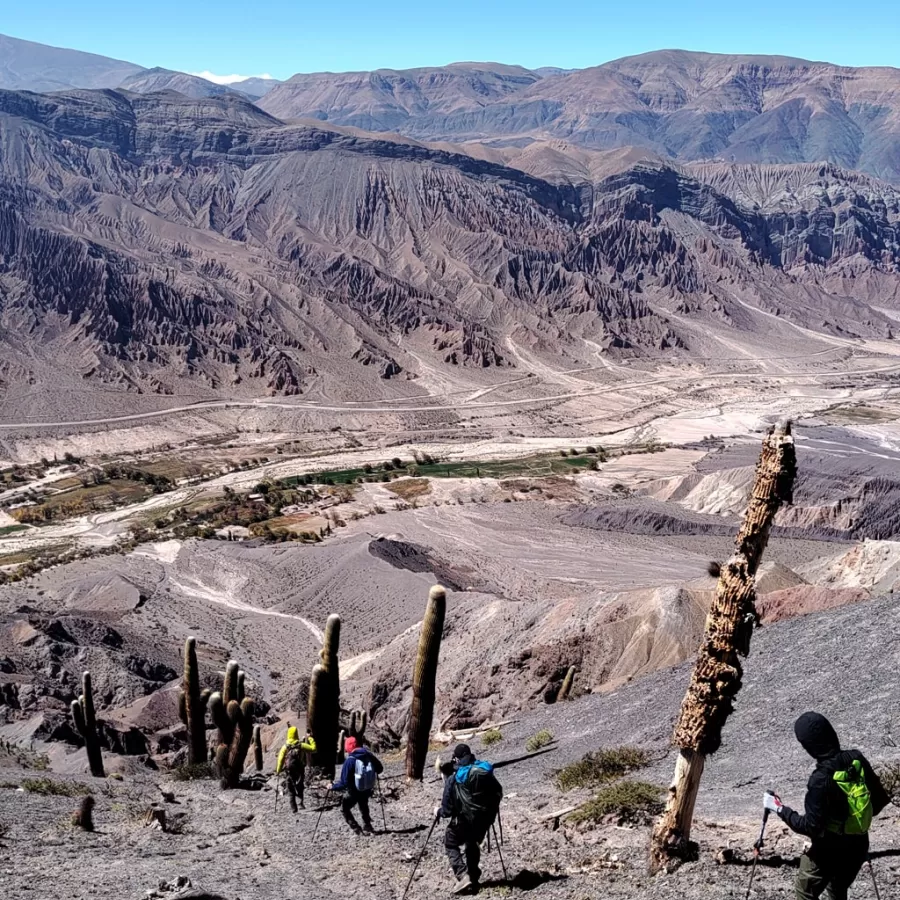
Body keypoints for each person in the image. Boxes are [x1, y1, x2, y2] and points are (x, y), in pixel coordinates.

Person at [764, 711, 889, 900]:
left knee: (805, 893)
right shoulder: (856, 759)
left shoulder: (820, 780)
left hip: (827, 851)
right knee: (838, 889)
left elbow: (810, 826)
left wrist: (779, 808)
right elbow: (878, 802)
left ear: (809, 746)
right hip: (858, 845)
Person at [435, 743, 503, 895]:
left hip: (463, 821)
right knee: (472, 843)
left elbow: (447, 810)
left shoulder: (455, 778)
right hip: (483, 820)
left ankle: (463, 875)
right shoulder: (484, 771)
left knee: (450, 842)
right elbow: (498, 792)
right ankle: (473, 876)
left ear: (456, 759)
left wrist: (438, 811)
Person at [331, 735, 383, 834]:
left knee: (344, 808)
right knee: (363, 806)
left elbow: (344, 783)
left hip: (353, 791)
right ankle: (368, 826)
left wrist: (333, 787)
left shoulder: (350, 761)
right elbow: (380, 769)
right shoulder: (368, 755)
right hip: (367, 788)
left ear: (348, 748)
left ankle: (356, 828)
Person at [275, 726, 316, 812]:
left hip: (289, 771)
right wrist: (310, 738)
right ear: (296, 734)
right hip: (299, 770)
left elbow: (280, 759)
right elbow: (313, 749)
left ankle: (293, 808)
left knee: (290, 789)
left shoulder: (285, 747)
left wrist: (278, 770)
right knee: (300, 786)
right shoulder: (300, 745)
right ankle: (300, 804)